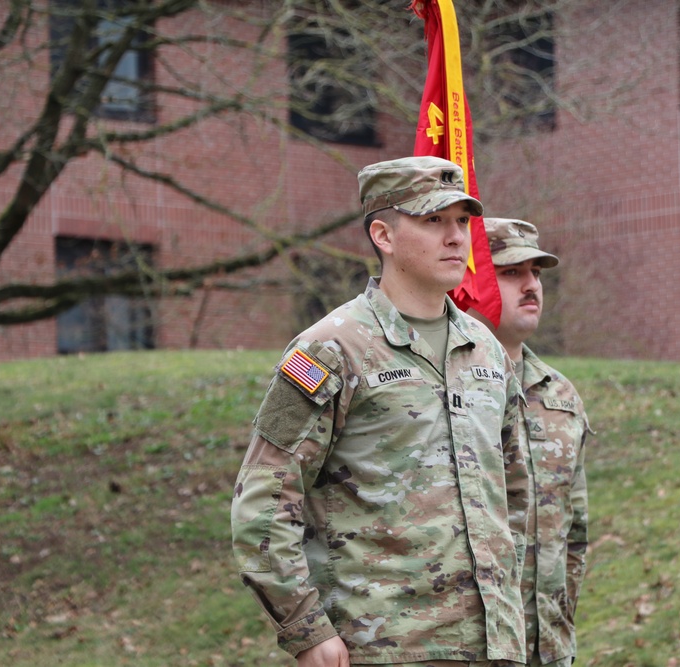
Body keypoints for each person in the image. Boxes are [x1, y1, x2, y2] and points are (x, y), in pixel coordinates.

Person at [230, 157, 529, 667]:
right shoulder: (331, 348)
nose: (456, 237)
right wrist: (306, 629)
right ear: (383, 235)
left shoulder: (486, 349)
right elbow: (263, 499)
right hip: (381, 645)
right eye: (434, 220)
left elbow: (516, 490)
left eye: (462, 220)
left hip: (493, 647)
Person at [471, 218, 591, 667]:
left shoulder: (560, 396)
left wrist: (559, 621)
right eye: (511, 272)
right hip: (472, 650)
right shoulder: (441, 388)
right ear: (473, 282)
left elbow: (574, 533)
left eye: (536, 273)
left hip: (548, 650)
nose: (531, 286)